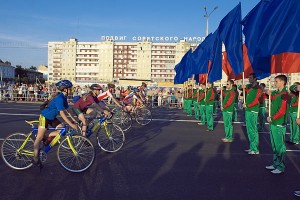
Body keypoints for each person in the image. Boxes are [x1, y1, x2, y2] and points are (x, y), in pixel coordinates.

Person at [32, 80, 78, 166]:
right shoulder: (60, 98)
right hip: (45, 117)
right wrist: (71, 124)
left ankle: (48, 137)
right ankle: (35, 158)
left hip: (52, 118)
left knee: (62, 130)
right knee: (39, 137)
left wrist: (74, 119)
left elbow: (68, 110)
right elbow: (62, 113)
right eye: (70, 88)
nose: (71, 90)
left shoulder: (64, 97)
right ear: (65, 89)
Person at [266, 75, 289, 174]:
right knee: (274, 145)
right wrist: (268, 94)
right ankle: (275, 163)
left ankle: (280, 167)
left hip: (279, 123)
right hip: (273, 123)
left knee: (280, 147)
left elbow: (282, 111)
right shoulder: (276, 93)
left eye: (276, 81)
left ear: (282, 82)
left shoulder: (285, 94)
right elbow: (271, 98)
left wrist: (272, 118)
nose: (274, 83)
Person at [241, 73, 262, 155]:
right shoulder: (250, 87)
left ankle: (255, 149)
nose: (249, 79)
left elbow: (256, 100)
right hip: (248, 110)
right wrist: (243, 87)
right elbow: (240, 88)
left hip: (253, 111)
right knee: (249, 130)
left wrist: (248, 105)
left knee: (253, 129)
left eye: (250, 77)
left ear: (255, 79)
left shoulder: (258, 88)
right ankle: (252, 146)